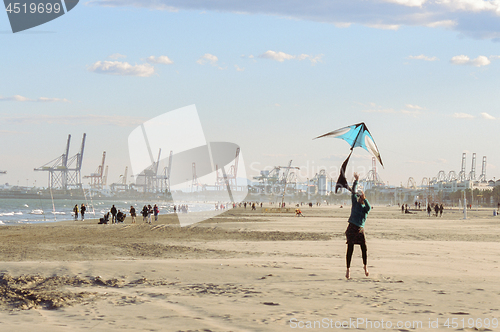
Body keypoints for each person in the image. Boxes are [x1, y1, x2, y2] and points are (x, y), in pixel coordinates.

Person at [345, 172, 371, 279]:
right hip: (351, 227)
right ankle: (348, 270)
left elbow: (369, 207)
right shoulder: (355, 204)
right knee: (350, 249)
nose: (360, 199)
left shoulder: (365, 209)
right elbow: (353, 193)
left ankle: (365, 267)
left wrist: (365, 199)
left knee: (364, 248)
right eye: (359, 197)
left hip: (360, 230)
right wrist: (356, 180)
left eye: (361, 198)